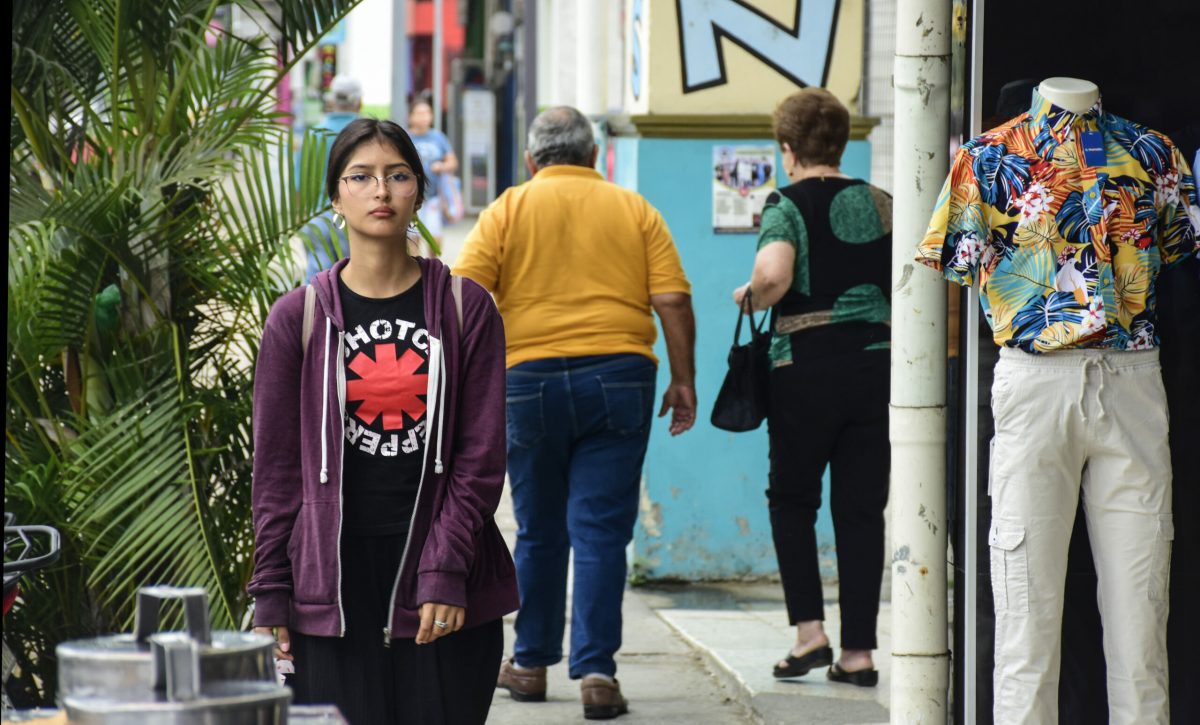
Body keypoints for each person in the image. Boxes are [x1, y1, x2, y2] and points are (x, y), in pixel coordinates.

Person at [916, 77, 1198, 724]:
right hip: (1034, 381)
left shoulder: (1152, 153)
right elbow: (955, 268)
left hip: (1133, 379)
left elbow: (1181, 249)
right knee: (1024, 609)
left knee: (1142, 606)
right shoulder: (988, 157)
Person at [248, 118, 519, 724]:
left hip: (442, 576)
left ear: (418, 192)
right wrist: (271, 587)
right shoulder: (298, 318)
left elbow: (480, 459)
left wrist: (445, 567)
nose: (381, 191)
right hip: (330, 584)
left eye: (398, 176)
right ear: (335, 196)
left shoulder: (464, 308)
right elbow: (276, 468)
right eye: (361, 176)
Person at [453, 105, 697, 720]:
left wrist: (466, 386)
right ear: (593, 156)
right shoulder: (632, 208)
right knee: (601, 532)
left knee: (537, 528)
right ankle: (597, 676)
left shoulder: (508, 208)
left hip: (528, 379)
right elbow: (670, 299)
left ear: (533, 160)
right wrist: (685, 380)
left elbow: (464, 296)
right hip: (620, 377)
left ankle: (531, 664)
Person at [731, 87, 892, 688]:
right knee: (861, 511)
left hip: (804, 369)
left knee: (794, 502)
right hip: (877, 369)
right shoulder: (884, 203)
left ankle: (809, 635)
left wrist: (749, 295)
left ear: (787, 149)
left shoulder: (786, 203)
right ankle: (859, 654)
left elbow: (773, 276)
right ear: (843, 143)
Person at [302, 75, 363, 282]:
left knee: (317, 281)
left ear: (332, 100)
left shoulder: (315, 133)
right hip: (356, 218)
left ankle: (311, 314)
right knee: (354, 283)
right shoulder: (366, 134)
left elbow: (297, 184)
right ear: (358, 101)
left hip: (316, 217)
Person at [406, 95, 458, 255]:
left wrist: (442, 166)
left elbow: (453, 162)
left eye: (427, 112)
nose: (424, 116)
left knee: (435, 235)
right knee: (412, 237)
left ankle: (433, 270)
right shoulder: (405, 138)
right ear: (411, 116)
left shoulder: (438, 138)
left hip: (433, 197)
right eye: (419, 113)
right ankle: (415, 272)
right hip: (411, 198)